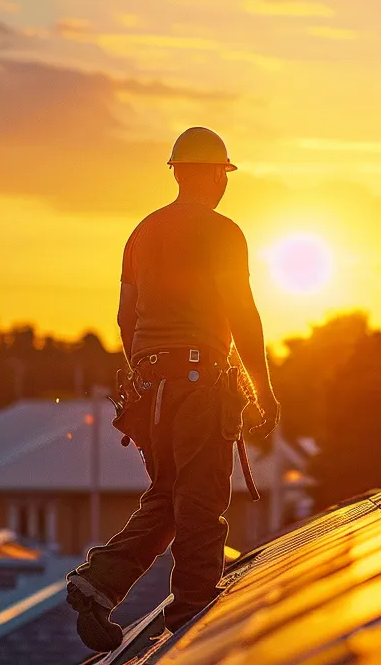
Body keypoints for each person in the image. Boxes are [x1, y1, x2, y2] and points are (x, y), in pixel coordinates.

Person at [66, 127, 280, 651]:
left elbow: (125, 316)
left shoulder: (142, 234)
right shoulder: (224, 232)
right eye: (223, 175)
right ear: (213, 174)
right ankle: (192, 620)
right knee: (202, 500)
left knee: (169, 495)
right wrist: (263, 390)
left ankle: (101, 582)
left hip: (151, 391)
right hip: (199, 385)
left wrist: (146, 372)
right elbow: (243, 315)